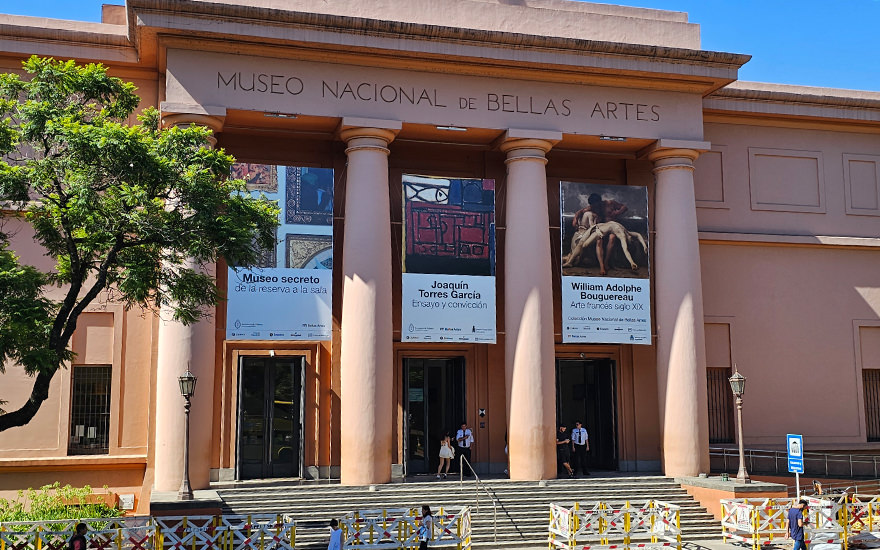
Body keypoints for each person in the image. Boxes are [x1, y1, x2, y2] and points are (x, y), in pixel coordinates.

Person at [571, 193, 628, 275]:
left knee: (612, 237)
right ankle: (602, 266)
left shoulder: (610, 203)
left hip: (612, 228)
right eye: (593, 206)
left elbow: (624, 207)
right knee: (599, 240)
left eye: (596, 205)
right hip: (602, 229)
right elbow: (579, 212)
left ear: (600, 202)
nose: (594, 207)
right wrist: (575, 220)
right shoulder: (592, 207)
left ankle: (606, 262)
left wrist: (618, 212)